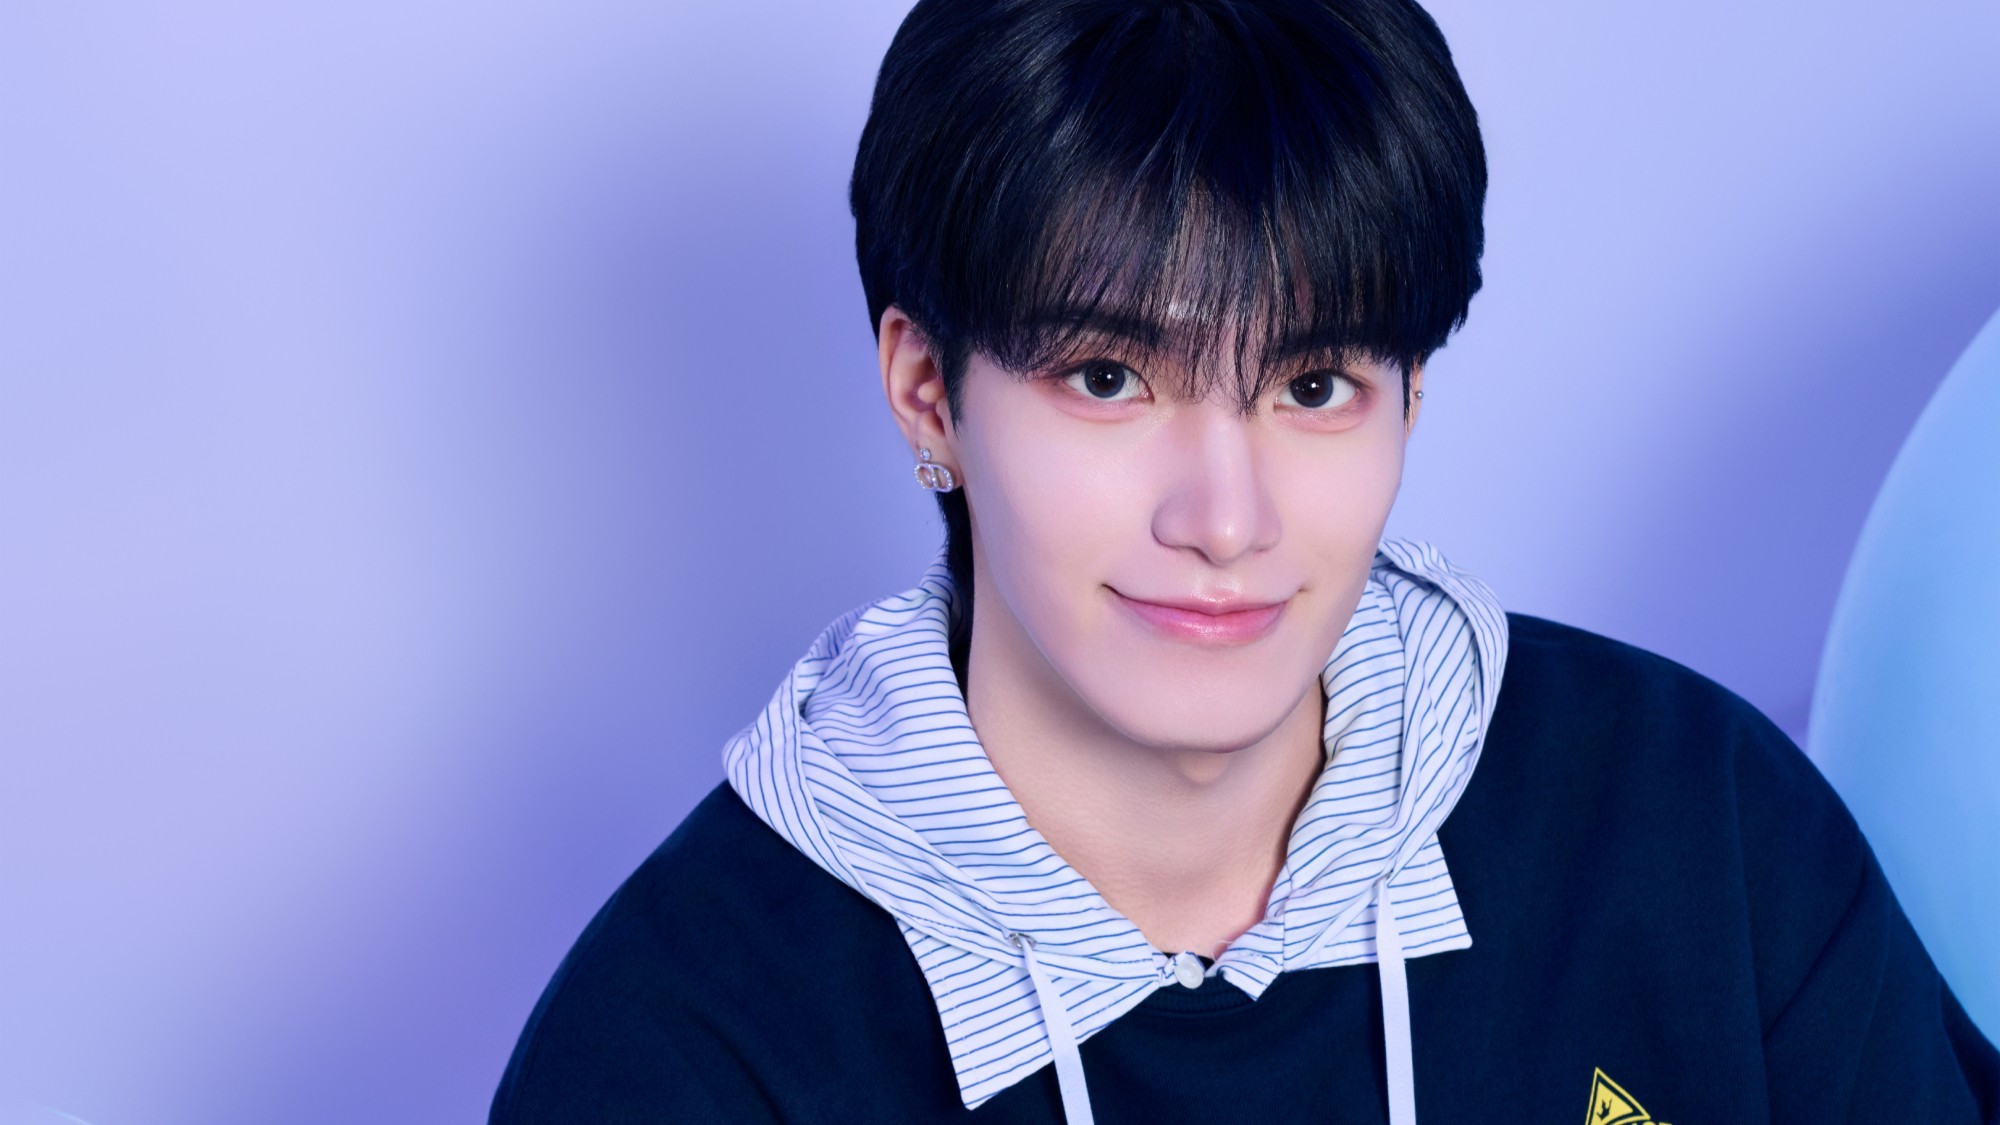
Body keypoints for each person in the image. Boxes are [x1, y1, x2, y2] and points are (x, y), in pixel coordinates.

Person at [488, 0, 2000, 1121]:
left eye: (1313, 385)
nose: (1225, 518)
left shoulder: (1695, 824)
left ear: (1411, 397)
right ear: (929, 392)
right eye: (1109, 379)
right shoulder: (681, 1049)